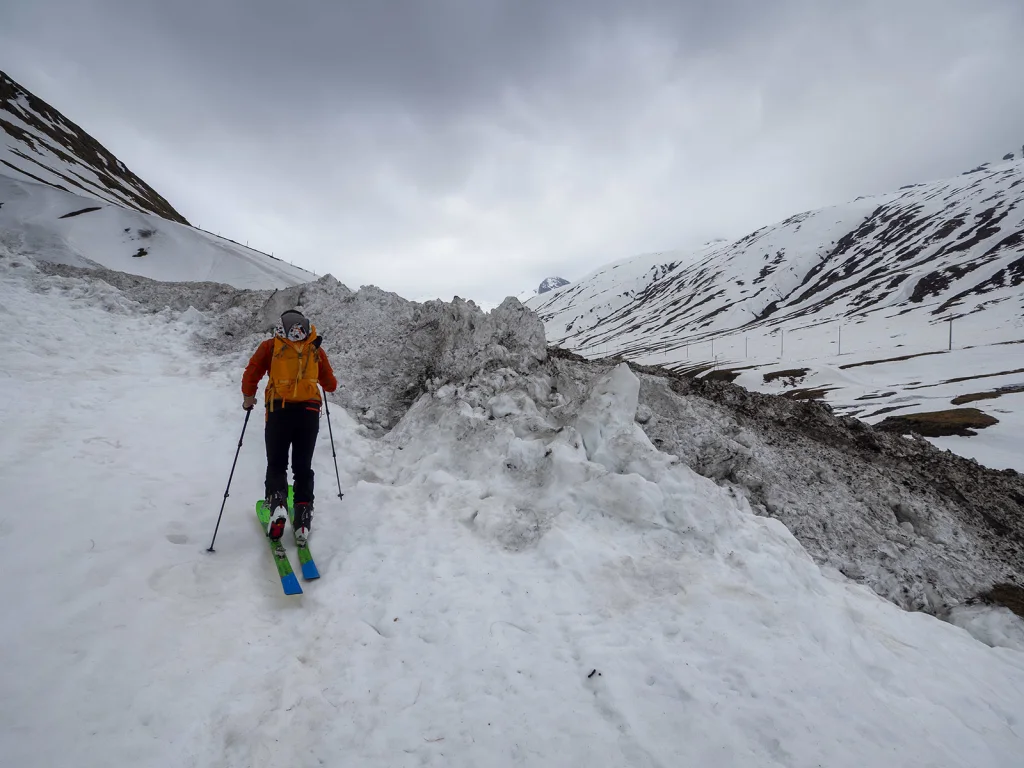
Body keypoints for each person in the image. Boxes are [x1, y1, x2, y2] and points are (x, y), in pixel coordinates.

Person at [241, 309, 337, 544]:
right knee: (303, 467)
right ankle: (303, 519)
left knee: (277, 463)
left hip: (278, 410)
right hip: (310, 413)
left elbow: (251, 373)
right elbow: (331, 385)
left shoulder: (271, 346)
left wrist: (248, 397)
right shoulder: (315, 347)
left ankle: (278, 505)